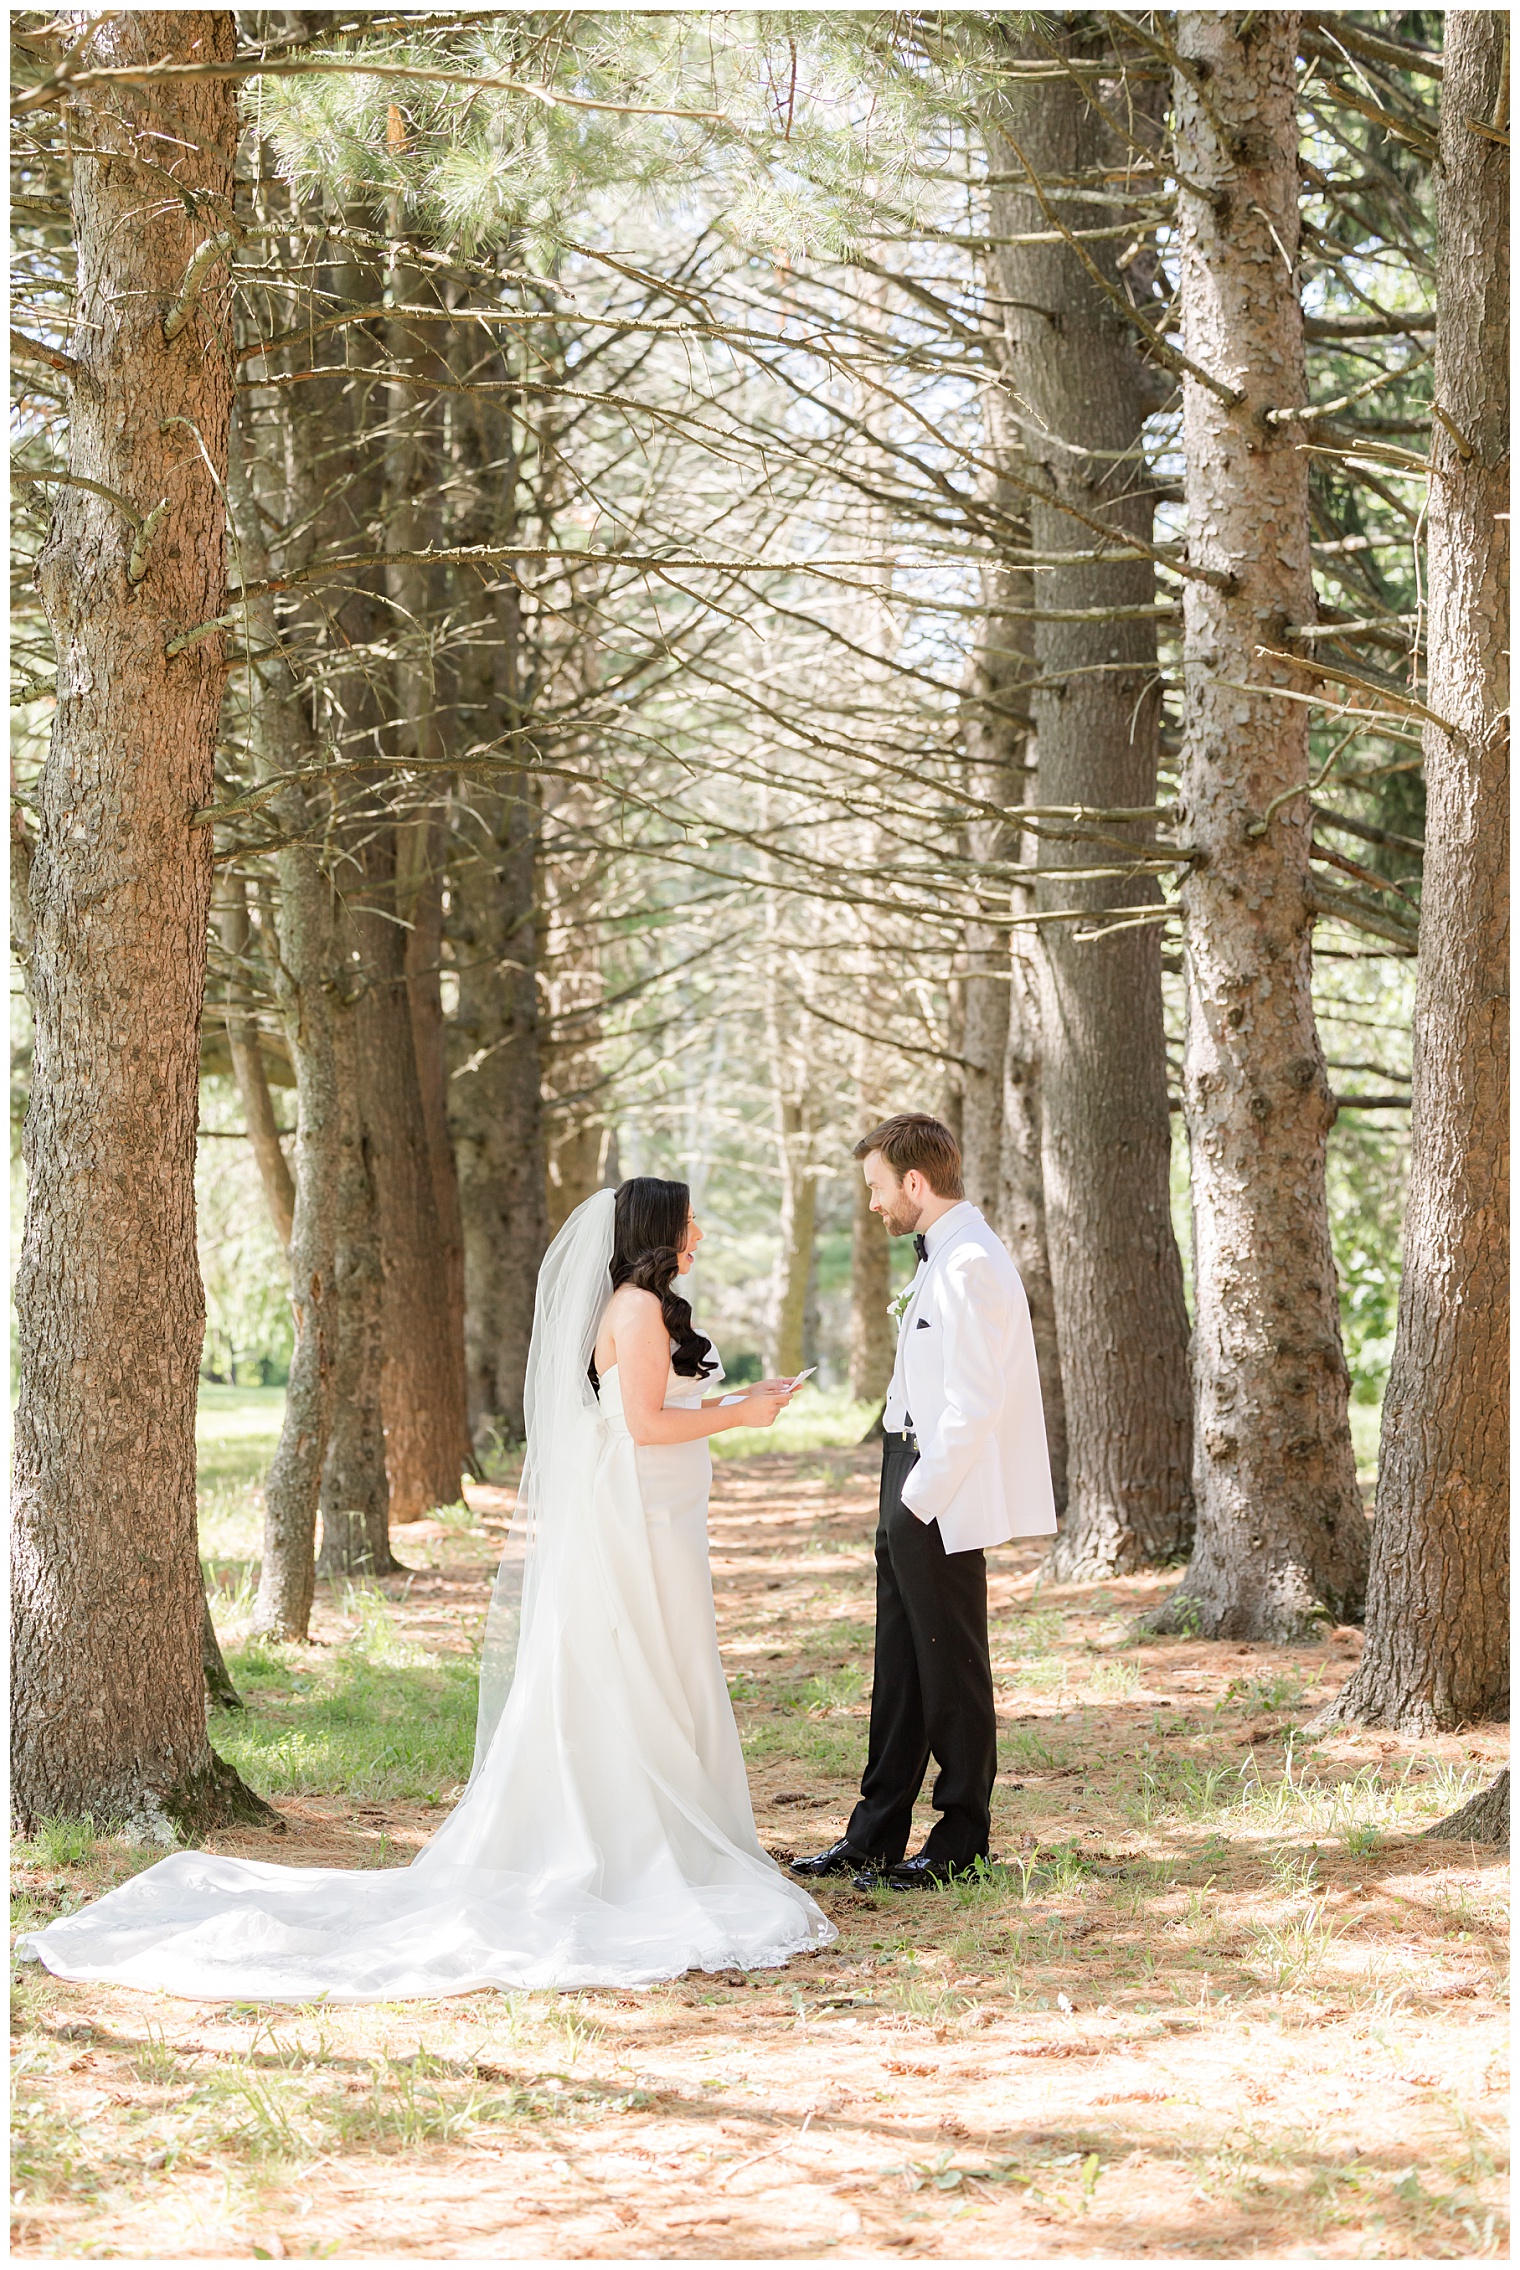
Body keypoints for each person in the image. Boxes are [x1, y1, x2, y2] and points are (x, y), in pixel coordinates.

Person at [20, 1180, 834, 2000]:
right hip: (641, 1526)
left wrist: (738, 1400)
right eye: (689, 1220)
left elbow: (645, 1413)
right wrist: (737, 1417)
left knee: (665, 1668)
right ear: (660, 1231)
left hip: (656, 1514)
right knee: (647, 1670)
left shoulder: (646, 1306)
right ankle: (639, 1842)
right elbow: (650, 1426)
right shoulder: (634, 1309)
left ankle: (667, 1831)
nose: (699, 1229)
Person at [791, 1114, 1056, 1890]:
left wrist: (920, 1499)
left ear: (914, 1182)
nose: (874, 1205)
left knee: (952, 1665)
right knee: (901, 1663)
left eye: (877, 1188)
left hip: (938, 1481)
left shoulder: (971, 1261)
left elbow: (974, 1403)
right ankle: (875, 1833)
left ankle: (961, 1841)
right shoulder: (943, 1256)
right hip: (906, 1463)